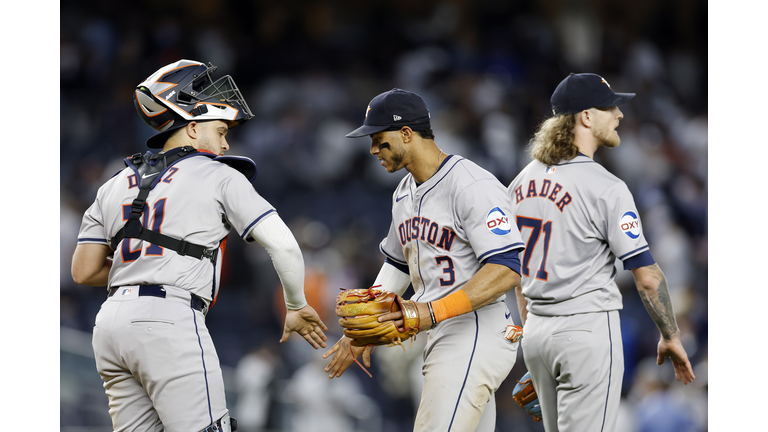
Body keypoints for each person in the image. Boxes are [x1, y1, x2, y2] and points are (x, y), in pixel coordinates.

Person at [71, 59, 328, 432]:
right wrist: (295, 304)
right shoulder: (218, 174)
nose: (225, 142)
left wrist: (143, 269)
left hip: (110, 325)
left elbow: (83, 270)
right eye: (221, 130)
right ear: (192, 127)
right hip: (169, 319)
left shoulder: (114, 183)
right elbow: (285, 246)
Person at [323, 88, 526, 431]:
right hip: (439, 332)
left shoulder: (471, 184)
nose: (373, 149)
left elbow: (507, 269)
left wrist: (431, 312)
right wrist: (364, 331)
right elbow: (398, 264)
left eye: (379, 139)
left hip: (474, 330)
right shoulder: (403, 192)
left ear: (406, 134)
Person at [507, 72, 695, 432]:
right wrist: (670, 335)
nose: (619, 115)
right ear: (586, 117)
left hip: (536, 335)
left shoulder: (519, 183)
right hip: (585, 331)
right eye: (610, 107)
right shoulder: (607, 187)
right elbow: (648, 278)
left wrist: (533, 335)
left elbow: (516, 274)